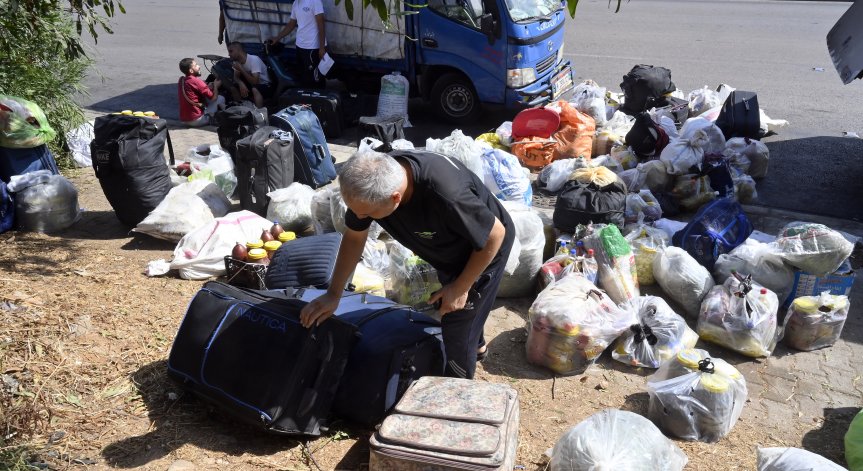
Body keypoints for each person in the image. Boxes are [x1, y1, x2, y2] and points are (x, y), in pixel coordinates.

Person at [299, 149, 515, 379]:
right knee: (460, 311)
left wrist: (461, 287)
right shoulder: (372, 181)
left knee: (456, 324)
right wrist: (334, 293)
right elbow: (354, 238)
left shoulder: (445, 193)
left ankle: (456, 386)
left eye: (367, 214)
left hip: (483, 247)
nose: (360, 218)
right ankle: (477, 346)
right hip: (447, 247)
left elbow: (495, 234)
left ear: (395, 198)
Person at [267, 0, 327, 87]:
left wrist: (322, 48)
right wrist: (277, 37)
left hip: (312, 47)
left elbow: (321, 24)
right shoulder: (296, 3)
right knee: (303, 77)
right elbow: (291, 23)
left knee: (314, 79)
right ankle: (305, 94)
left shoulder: (315, 1)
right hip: (300, 46)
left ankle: (318, 95)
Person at [177, 58, 225, 127]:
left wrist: (207, 86)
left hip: (184, 120)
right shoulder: (196, 81)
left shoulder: (181, 80)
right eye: (196, 65)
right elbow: (214, 98)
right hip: (197, 120)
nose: (199, 66)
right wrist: (216, 86)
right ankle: (217, 118)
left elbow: (194, 89)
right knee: (220, 98)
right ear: (191, 70)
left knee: (207, 99)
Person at [226, 42, 272, 107]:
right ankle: (240, 107)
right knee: (233, 87)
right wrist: (241, 83)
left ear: (239, 50)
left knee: (255, 89)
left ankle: (259, 111)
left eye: (231, 51)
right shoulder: (237, 61)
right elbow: (236, 77)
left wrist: (241, 68)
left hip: (266, 85)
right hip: (252, 84)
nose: (229, 54)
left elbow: (255, 82)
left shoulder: (254, 59)